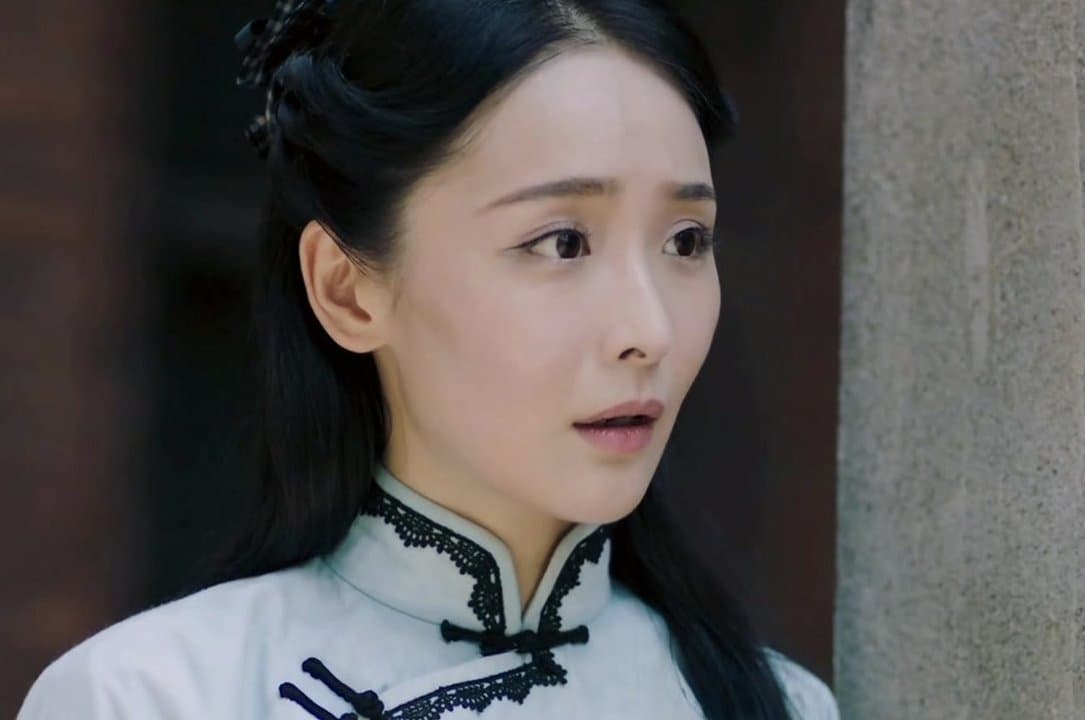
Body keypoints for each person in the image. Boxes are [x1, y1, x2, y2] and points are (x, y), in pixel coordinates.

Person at [17, 0, 839, 717]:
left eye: (686, 241)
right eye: (561, 242)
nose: (650, 329)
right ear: (347, 289)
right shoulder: (155, 698)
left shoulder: (776, 706)